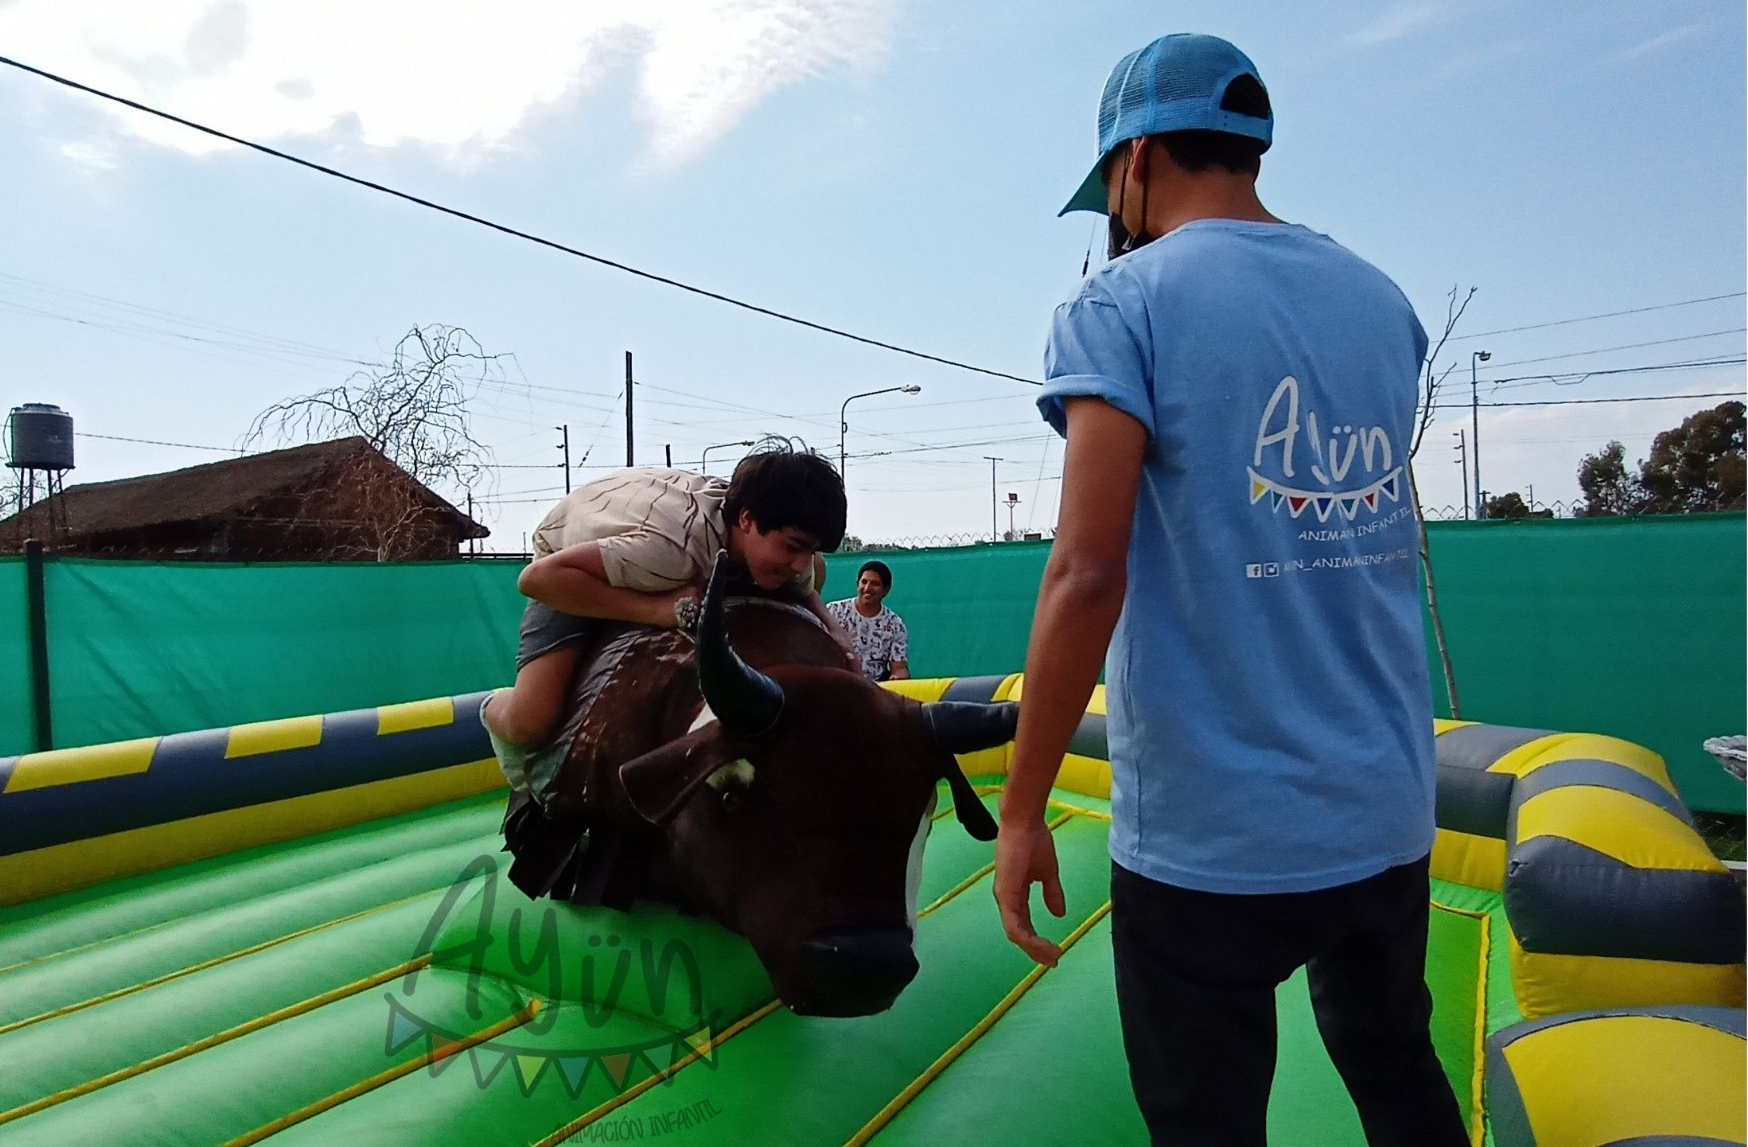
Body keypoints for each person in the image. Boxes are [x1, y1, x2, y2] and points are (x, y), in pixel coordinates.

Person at [991, 33, 1467, 1147]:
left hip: (1213, 833)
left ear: (1135, 157)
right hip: (1384, 804)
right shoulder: (1380, 300)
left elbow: (1086, 569)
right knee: (1396, 1068)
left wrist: (1020, 808)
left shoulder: (1120, 303)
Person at [482, 440, 849, 796]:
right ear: (748, 520)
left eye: (810, 549)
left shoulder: (784, 546)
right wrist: (654, 610)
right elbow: (536, 580)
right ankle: (491, 707)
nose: (800, 564)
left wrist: (834, 631)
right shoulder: (670, 551)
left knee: (815, 570)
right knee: (532, 720)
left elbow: (806, 584)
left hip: (661, 530)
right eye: (793, 547)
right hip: (570, 564)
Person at [826, 559, 911, 682]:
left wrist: (898, 679)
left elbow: (899, 668)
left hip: (875, 686)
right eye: (864, 582)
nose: (867, 588)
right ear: (857, 584)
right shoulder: (833, 611)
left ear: (886, 590)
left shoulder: (895, 625)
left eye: (875, 584)